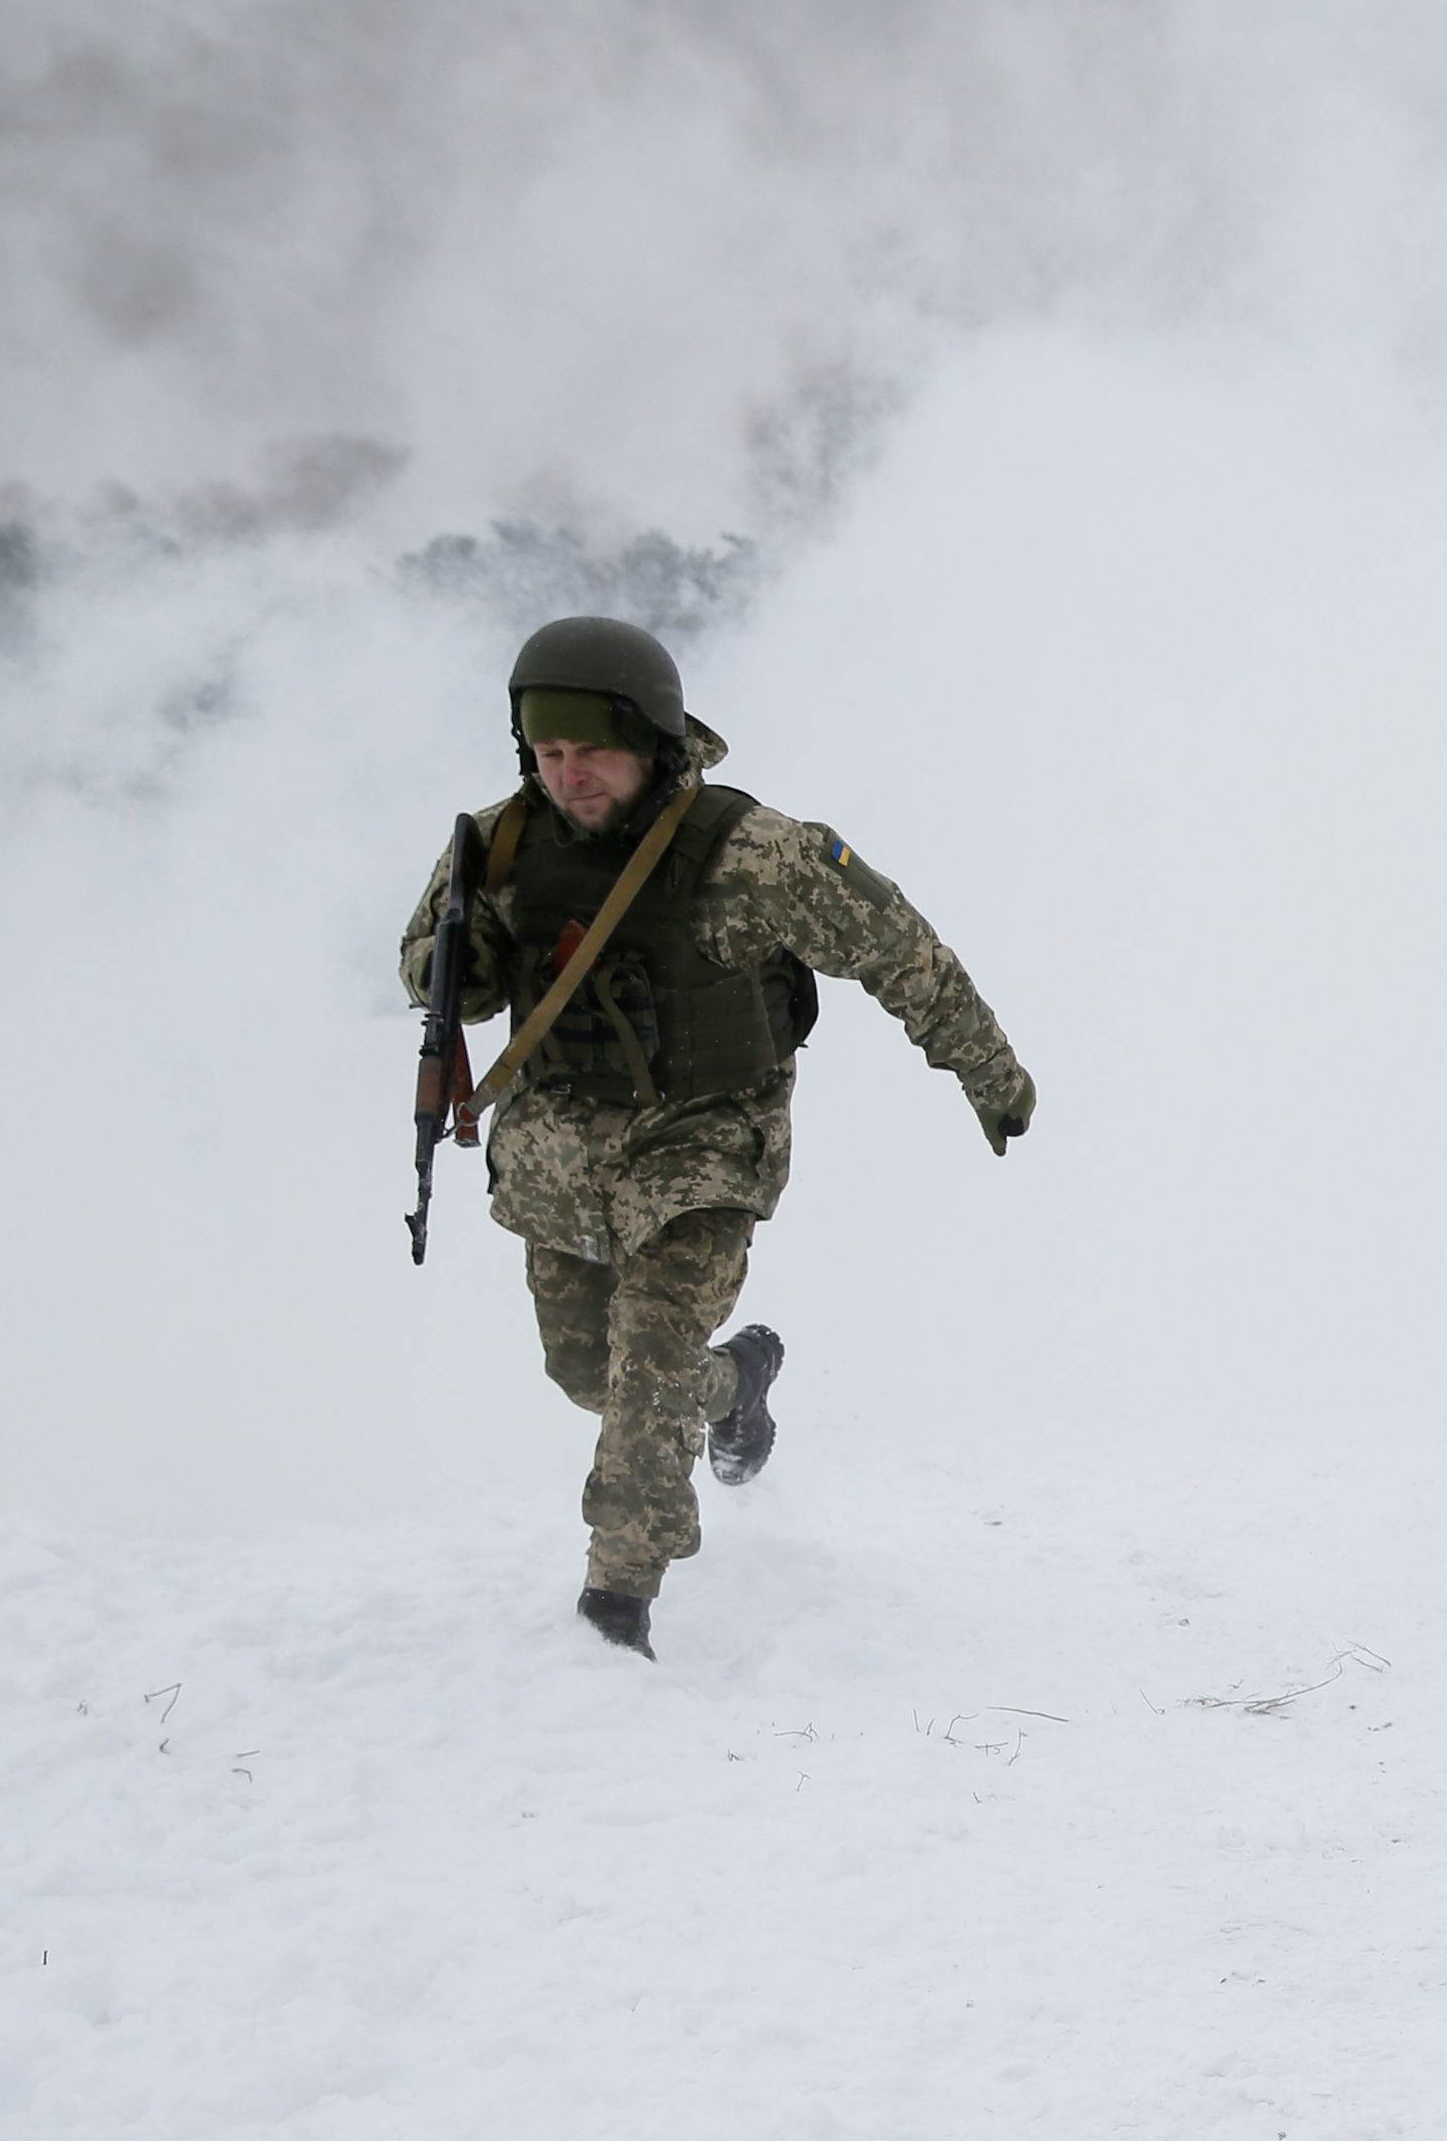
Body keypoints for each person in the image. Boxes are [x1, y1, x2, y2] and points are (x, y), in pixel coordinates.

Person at [398, 615, 1035, 1658]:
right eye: (548, 756)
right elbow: (430, 976)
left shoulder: (752, 852)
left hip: (705, 1144)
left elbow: (900, 949)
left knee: (645, 1372)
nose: (570, 777)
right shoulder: (497, 844)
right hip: (561, 1154)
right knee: (590, 1376)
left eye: (591, 753)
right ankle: (735, 1386)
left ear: (651, 737)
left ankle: (615, 1613)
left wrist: (990, 1073)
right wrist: (460, 958)